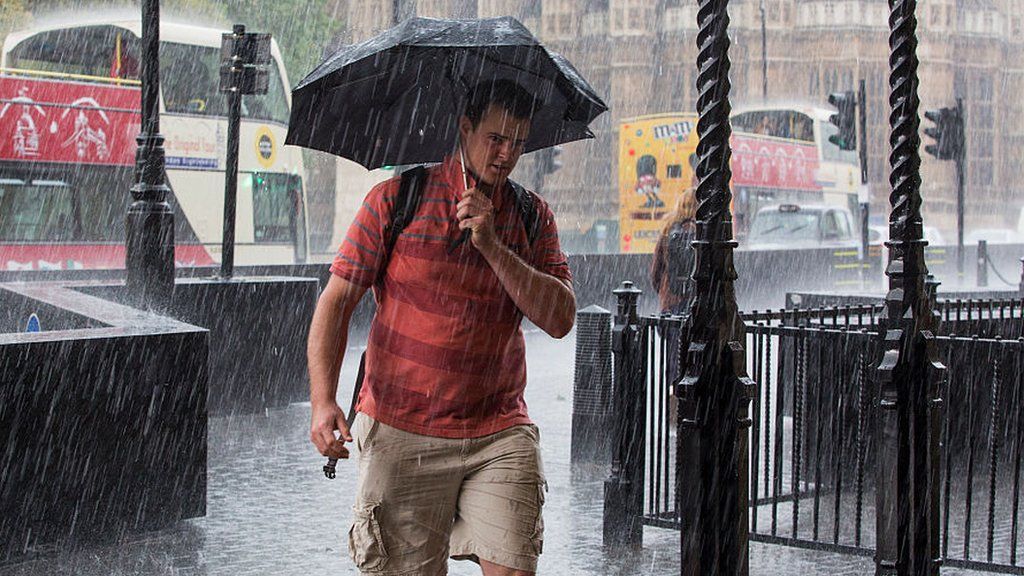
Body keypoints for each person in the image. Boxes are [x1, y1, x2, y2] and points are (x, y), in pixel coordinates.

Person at [307, 79, 575, 576]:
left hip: (498, 428)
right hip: (402, 426)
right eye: (496, 139)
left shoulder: (532, 217)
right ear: (465, 128)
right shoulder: (396, 199)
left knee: (515, 567)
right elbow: (336, 302)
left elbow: (560, 318)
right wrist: (323, 402)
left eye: (518, 142)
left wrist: (494, 247)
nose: (507, 154)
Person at [649, 185, 697, 386]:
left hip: (671, 305)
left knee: (674, 363)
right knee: (695, 361)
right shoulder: (702, 232)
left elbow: (655, 274)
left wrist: (666, 291)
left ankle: (674, 406)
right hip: (695, 304)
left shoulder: (668, 231)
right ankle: (694, 408)